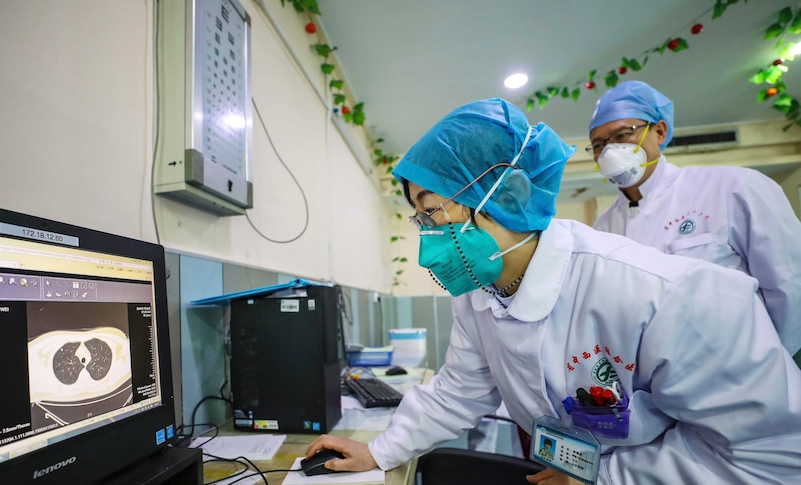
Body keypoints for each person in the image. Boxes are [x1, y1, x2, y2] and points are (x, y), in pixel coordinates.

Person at [305, 98, 801, 484]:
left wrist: (606, 477)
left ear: (507, 196)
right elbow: (459, 391)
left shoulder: (663, 295)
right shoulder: (480, 290)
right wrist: (380, 450)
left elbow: (769, 452)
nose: (428, 239)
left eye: (434, 213)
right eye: (420, 219)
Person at [587, 80, 801, 364]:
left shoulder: (733, 188)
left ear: (659, 131)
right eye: (599, 145)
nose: (610, 151)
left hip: (745, 374)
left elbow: (791, 287)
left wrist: (765, 369)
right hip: (657, 389)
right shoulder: (603, 229)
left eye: (623, 135)